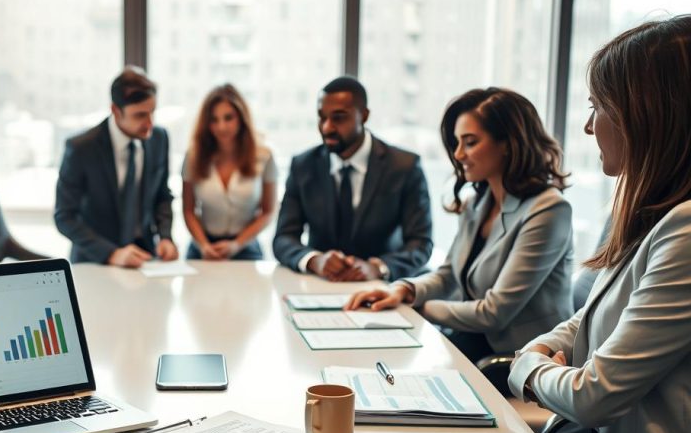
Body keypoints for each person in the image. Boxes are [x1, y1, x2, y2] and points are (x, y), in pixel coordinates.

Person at [508, 16, 691, 433]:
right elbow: (588, 316)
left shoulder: (685, 229)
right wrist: (543, 348)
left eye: (598, 107)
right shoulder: (652, 213)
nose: (589, 128)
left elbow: (595, 395)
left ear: (648, 113)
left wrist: (527, 368)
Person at [346, 88, 574, 362]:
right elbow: (447, 275)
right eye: (456, 142)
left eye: (470, 142)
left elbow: (495, 312)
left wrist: (417, 306)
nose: (458, 154)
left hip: (521, 357)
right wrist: (403, 290)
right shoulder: (478, 202)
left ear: (508, 143)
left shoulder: (548, 210)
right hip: (473, 341)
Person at [273, 76, 432, 281]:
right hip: (319, 286)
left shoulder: (404, 166)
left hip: (382, 288)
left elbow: (420, 243)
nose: (326, 127)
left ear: (364, 116)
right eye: (322, 117)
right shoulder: (303, 165)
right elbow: (283, 238)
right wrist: (315, 260)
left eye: (339, 118)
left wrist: (378, 268)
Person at [54, 66, 178, 268]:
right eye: (139, 115)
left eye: (152, 112)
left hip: (145, 258)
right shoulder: (81, 148)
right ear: (115, 111)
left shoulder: (159, 138)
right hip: (96, 260)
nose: (149, 123)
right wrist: (112, 254)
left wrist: (165, 237)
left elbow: (162, 196)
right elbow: (64, 216)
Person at [181, 84, 276, 261]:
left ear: (241, 118)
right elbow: (188, 210)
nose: (221, 127)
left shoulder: (264, 156)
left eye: (228, 118)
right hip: (202, 245)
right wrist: (203, 245)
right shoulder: (193, 156)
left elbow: (268, 211)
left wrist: (236, 244)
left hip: (246, 246)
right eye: (214, 120)